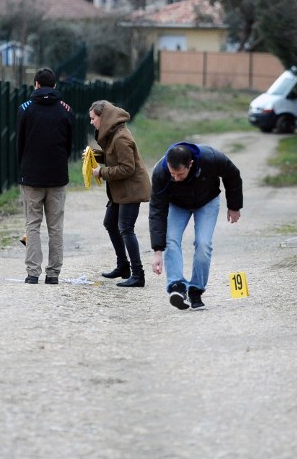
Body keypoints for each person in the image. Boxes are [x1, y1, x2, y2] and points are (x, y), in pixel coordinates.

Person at [149, 142, 242, 310]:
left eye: (180, 174)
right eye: (172, 174)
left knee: (203, 243)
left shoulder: (211, 158)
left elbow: (233, 175)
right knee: (171, 240)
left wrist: (234, 206)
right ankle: (177, 286)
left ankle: (195, 290)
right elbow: (157, 211)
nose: (175, 178)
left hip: (207, 201)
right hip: (176, 204)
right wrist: (157, 251)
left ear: (190, 164)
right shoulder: (160, 173)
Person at [16, 67, 75, 285]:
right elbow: (69, 144)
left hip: (31, 174)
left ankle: (32, 273)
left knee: (32, 224)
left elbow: (19, 143)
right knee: (55, 226)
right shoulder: (65, 109)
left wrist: (23, 166)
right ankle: (53, 274)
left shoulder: (25, 108)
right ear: (56, 86)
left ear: (36, 84)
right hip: (57, 175)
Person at [87, 100, 151, 287]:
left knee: (126, 229)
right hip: (120, 191)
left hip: (131, 189)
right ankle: (123, 266)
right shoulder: (113, 134)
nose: (91, 122)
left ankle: (138, 275)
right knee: (110, 223)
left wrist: (102, 172)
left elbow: (127, 168)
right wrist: (94, 155)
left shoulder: (121, 137)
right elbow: (112, 156)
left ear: (103, 118)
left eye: (93, 118)